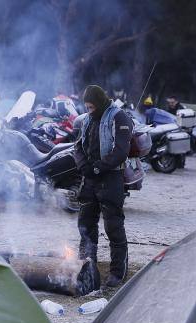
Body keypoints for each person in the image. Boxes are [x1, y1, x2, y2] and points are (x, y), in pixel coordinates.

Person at [73, 85, 133, 288]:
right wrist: (84, 167)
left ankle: (117, 272)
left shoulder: (119, 117)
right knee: (86, 226)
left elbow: (121, 150)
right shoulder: (87, 119)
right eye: (87, 107)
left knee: (113, 227)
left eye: (91, 107)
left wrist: (98, 168)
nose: (89, 110)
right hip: (89, 179)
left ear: (99, 102)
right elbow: (78, 146)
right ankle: (87, 269)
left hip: (110, 178)